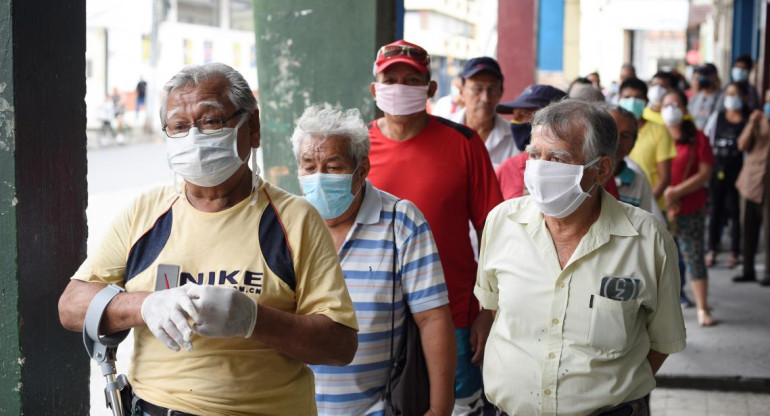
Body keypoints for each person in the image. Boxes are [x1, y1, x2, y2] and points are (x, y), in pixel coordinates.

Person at [58, 63, 359, 416]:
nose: (194, 138)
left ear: (254, 127)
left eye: (211, 121)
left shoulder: (295, 219)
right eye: (179, 126)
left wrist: (253, 319)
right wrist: (145, 305)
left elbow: (340, 345)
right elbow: (72, 306)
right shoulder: (146, 211)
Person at [475, 99, 686, 415]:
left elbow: (662, 341)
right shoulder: (502, 223)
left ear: (601, 169)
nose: (540, 168)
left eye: (557, 158)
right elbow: (494, 308)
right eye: (535, 155)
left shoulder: (647, 239)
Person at [366, 39, 504, 414]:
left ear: (430, 89)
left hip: (455, 313)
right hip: (373, 314)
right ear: (375, 88)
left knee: (458, 407)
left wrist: (487, 311)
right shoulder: (356, 146)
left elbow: (497, 232)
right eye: (391, 78)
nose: (400, 87)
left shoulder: (463, 144)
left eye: (412, 80)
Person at [292, 105, 456, 416]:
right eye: (309, 166)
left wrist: (439, 408)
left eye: (334, 167)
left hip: (378, 408)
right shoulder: (286, 223)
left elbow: (432, 318)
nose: (319, 178)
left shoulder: (401, 221)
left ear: (362, 169)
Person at [660, 89, 715, 326]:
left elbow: (705, 174)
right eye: (666, 105)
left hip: (689, 205)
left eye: (676, 104)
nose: (671, 108)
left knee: (693, 255)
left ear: (684, 109)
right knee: (658, 260)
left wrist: (676, 191)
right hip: (659, 207)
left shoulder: (698, 138)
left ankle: (702, 307)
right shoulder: (656, 136)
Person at [495, 85, 568, 199]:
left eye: (524, 114)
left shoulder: (575, 170)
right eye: (515, 114)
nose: (515, 121)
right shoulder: (507, 169)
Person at [704, 82, 748, 269]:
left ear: (744, 98)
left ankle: (735, 252)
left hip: (737, 174)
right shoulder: (717, 117)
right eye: (729, 94)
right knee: (715, 212)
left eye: (735, 94)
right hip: (717, 171)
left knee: (735, 213)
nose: (732, 98)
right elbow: (708, 139)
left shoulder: (748, 120)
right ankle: (712, 249)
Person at [620, 77, 677, 212]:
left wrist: (643, 204)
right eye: (627, 97)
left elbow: (664, 178)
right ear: (619, 99)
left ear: (646, 101)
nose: (632, 102)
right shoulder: (610, 129)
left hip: (651, 208)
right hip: (617, 207)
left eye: (637, 98)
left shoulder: (660, 131)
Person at [450, 57, 517, 169]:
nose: (485, 98)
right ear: (462, 92)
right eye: (477, 89)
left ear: (500, 93)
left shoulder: (513, 138)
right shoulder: (444, 132)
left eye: (492, 90)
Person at [733, 91, 770, 285]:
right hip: (750, 182)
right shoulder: (758, 120)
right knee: (747, 228)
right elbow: (742, 145)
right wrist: (752, 124)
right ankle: (748, 269)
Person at [606, 104, 658, 215]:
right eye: (612, 132)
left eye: (625, 136)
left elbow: (643, 227)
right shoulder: (584, 176)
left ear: (632, 145)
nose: (617, 141)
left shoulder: (639, 182)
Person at [688, 64, 721, 130]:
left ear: (714, 76)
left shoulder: (721, 97)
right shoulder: (695, 98)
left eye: (706, 75)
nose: (702, 78)